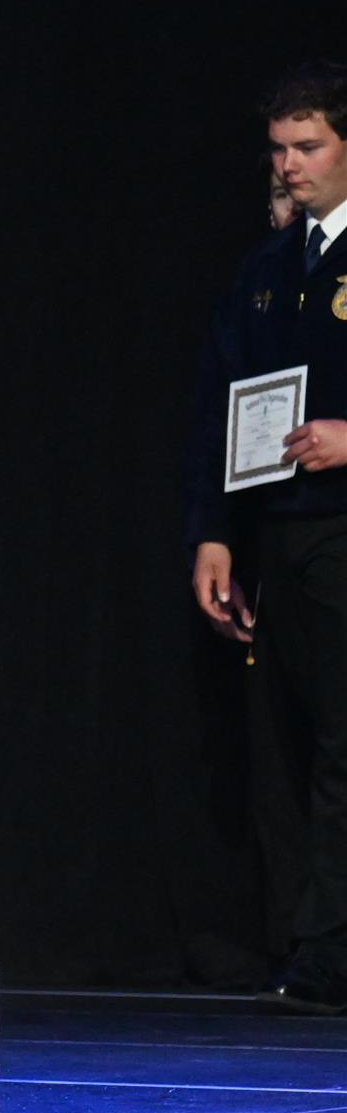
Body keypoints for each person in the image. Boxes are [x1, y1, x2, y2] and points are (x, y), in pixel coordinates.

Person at [186, 62, 347, 1015]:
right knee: (285, 749)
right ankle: (305, 939)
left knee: (342, 746)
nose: (289, 165)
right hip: (275, 533)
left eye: (309, 146)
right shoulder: (268, 269)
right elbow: (221, 405)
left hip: (342, 528)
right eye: (280, 149)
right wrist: (213, 535)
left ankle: (328, 950)